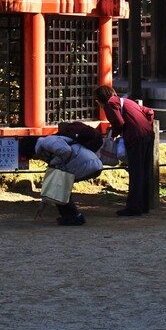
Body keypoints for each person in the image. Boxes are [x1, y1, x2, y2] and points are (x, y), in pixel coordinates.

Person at [19, 127, 103, 226]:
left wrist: (53, 164)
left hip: (88, 164)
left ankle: (74, 216)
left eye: (31, 156)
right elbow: (51, 180)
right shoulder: (46, 147)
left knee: (60, 187)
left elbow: (65, 150)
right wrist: (43, 203)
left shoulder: (48, 142)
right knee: (58, 185)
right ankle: (69, 216)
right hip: (88, 164)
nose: (34, 159)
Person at [93, 84, 155, 216]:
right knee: (145, 171)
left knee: (136, 172)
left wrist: (115, 132)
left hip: (136, 138)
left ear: (100, 99)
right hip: (148, 135)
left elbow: (119, 122)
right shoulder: (126, 101)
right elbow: (149, 112)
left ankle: (133, 207)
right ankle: (145, 205)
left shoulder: (110, 104)